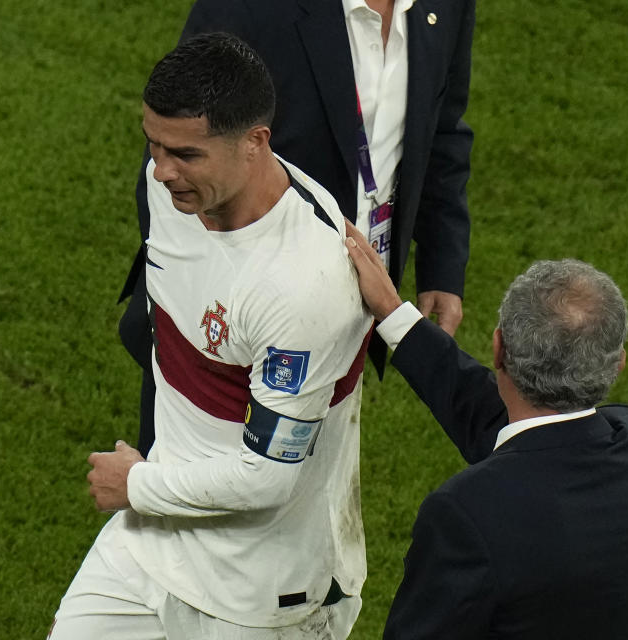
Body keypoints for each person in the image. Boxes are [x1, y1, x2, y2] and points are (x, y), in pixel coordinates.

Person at [49, 34, 372, 639]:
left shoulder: (305, 283)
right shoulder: (167, 190)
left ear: (255, 143)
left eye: (187, 155)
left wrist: (139, 483)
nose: (163, 171)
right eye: (154, 145)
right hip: (152, 545)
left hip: (262, 593)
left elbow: (269, 476)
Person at [120, 0, 475, 453]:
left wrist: (443, 263)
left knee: (308, 477)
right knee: (190, 482)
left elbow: (442, 128)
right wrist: (207, 317)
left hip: (349, 299)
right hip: (228, 317)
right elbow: (180, 142)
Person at [343, 225, 628, 639]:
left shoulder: (466, 512)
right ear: (617, 364)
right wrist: (394, 315)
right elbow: (505, 423)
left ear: (498, 348)